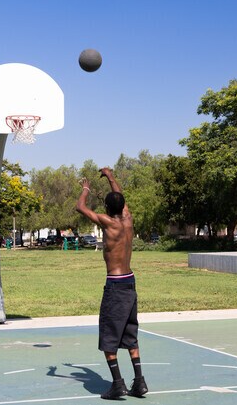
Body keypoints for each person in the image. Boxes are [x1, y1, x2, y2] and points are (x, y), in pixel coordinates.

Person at [75, 167, 148, 400]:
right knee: (130, 335)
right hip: (130, 282)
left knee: (108, 337)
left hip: (115, 285)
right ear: (123, 206)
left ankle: (118, 385)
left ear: (107, 208)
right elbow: (119, 196)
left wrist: (85, 189)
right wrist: (109, 176)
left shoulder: (108, 222)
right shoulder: (128, 219)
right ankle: (140, 382)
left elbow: (80, 208)